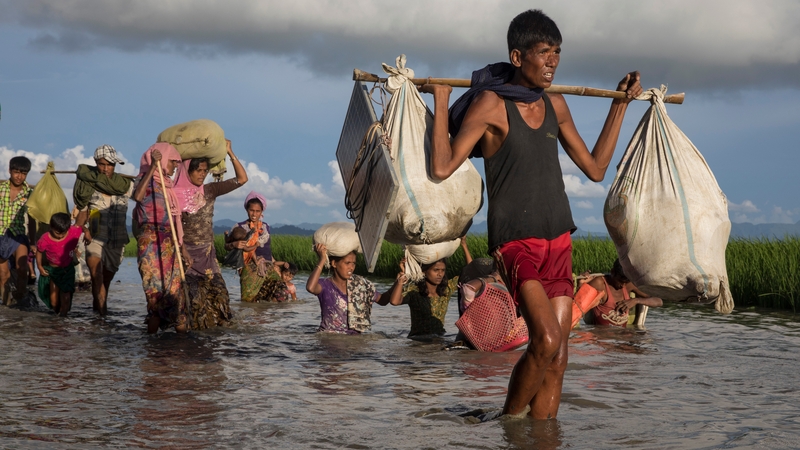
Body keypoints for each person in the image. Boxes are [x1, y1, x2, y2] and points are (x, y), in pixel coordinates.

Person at [420, 9, 642, 418]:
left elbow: (594, 169)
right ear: (518, 57)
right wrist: (440, 98)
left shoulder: (554, 103)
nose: (553, 62)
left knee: (558, 357)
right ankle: (506, 424)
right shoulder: (491, 104)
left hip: (558, 237)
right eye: (544, 53)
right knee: (543, 340)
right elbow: (441, 166)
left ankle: (541, 439)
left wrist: (620, 106)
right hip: (516, 241)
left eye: (557, 52)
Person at [176, 139, 248, 329]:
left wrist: (230, 153)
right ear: (187, 170)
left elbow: (242, 179)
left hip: (208, 255)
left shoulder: (210, 190)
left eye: (205, 170)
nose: (202, 174)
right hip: (186, 255)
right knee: (195, 301)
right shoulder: (175, 194)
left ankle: (218, 340)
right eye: (198, 170)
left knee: (221, 296)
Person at [132, 143, 190, 334]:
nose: (175, 167)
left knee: (176, 294)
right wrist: (152, 167)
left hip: (169, 243)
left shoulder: (168, 185)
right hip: (150, 242)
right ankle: (152, 347)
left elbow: (174, 220)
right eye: (173, 162)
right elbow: (138, 197)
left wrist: (182, 248)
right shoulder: (143, 178)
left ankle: (182, 347)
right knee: (155, 295)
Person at [73, 144, 134, 315]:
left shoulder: (125, 185)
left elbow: (143, 196)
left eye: (110, 165)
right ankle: (102, 318)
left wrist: (151, 170)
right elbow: (82, 214)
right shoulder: (88, 185)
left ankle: (99, 313)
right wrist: (77, 235)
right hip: (95, 238)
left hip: (117, 240)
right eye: (102, 164)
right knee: (96, 276)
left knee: (105, 282)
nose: (106, 168)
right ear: (95, 163)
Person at [306, 243, 403, 334]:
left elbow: (383, 301)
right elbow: (311, 288)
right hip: (330, 339)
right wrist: (322, 259)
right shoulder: (326, 285)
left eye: (353, 263)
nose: (351, 267)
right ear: (334, 263)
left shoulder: (360, 285)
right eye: (347, 263)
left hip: (355, 341)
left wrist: (397, 283)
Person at [389, 237, 472, 338]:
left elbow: (470, 273)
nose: (440, 274)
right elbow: (394, 301)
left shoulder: (446, 289)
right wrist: (402, 277)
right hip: (417, 340)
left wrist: (464, 245)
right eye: (436, 270)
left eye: (442, 270)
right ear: (424, 271)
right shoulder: (414, 292)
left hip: (439, 337)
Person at [226, 191, 286, 302]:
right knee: (251, 301)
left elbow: (267, 248)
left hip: (268, 267)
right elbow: (227, 245)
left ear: (261, 212)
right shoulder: (239, 227)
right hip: (249, 268)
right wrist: (234, 244)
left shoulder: (265, 226)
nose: (254, 214)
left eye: (257, 211)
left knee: (281, 295)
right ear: (247, 210)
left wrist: (275, 264)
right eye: (251, 210)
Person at [581, 260, 663, 327]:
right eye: (620, 281)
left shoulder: (629, 285)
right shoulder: (600, 283)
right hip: (603, 340)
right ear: (613, 272)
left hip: (623, 338)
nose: (622, 286)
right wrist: (581, 283)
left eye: (626, 282)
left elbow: (659, 301)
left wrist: (636, 300)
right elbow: (578, 303)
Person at [0, 156, 35, 307]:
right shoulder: (1, 189)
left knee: (22, 269)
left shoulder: (30, 193)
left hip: (19, 235)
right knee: (3, 274)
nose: (19, 176)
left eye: (23, 173)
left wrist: (33, 242)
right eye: (16, 172)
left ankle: (20, 301)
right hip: (1, 234)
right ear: (10, 171)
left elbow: (33, 218)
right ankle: (6, 304)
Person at [35, 212, 87, 316]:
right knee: (54, 302)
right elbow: (39, 252)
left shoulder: (73, 231)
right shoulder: (45, 239)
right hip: (53, 272)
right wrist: (40, 267)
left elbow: (81, 227)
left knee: (66, 297)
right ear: (51, 227)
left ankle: (63, 320)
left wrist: (88, 233)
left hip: (68, 270)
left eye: (64, 233)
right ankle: (57, 318)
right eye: (57, 233)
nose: (61, 236)